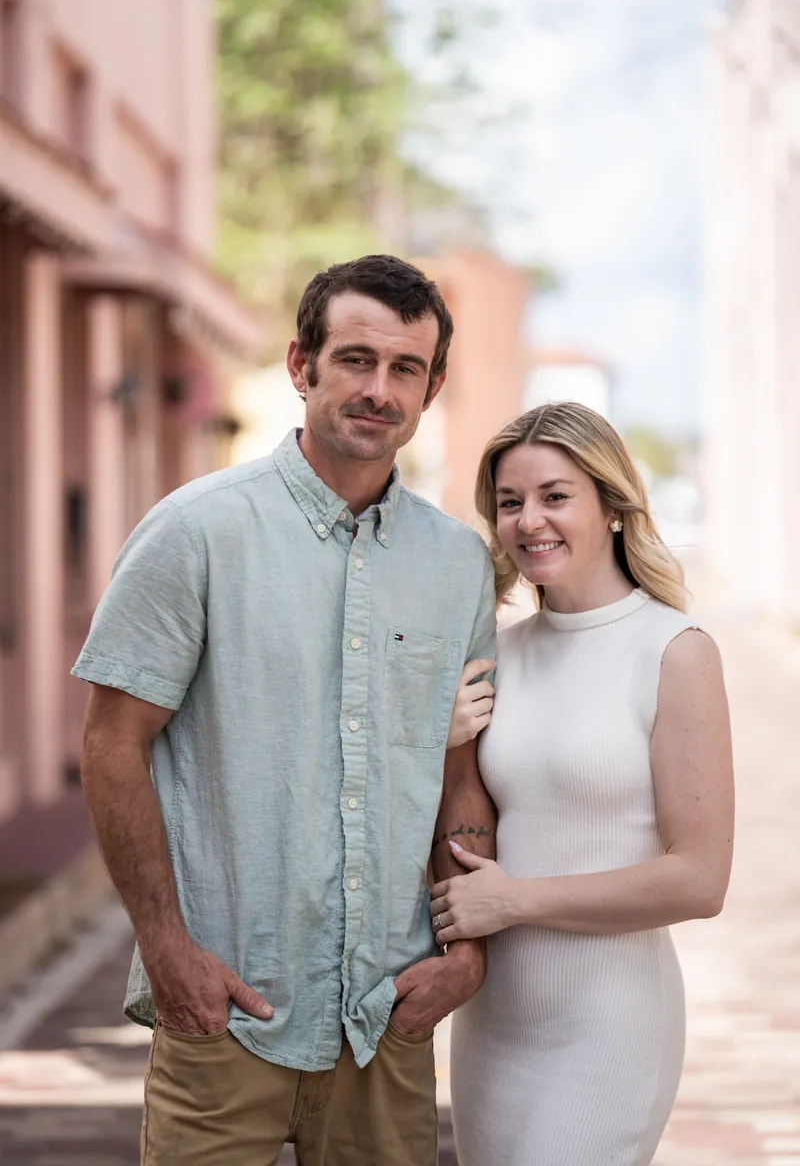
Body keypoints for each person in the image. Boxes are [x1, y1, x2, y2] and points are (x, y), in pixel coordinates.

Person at [72, 254, 499, 1166]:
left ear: (432, 389)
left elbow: (459, 771)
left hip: (388, 1018)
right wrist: (165, 949)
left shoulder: (460, 563)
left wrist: (464, 955)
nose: (377, 390)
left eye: (405, 369)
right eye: (354, 359)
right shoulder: (195, 533)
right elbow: (113, 745)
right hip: (226, 1008)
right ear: (302, 366)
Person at [430, 402, 735, 1166]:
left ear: (614, 507)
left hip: (610, 1027)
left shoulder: (675, 651)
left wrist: (516, 901)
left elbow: (699, 881)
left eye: (555, 496)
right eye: (509, 502)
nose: (529, 520)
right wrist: (438, 748)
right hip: (494, 1028)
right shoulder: (495, 654)